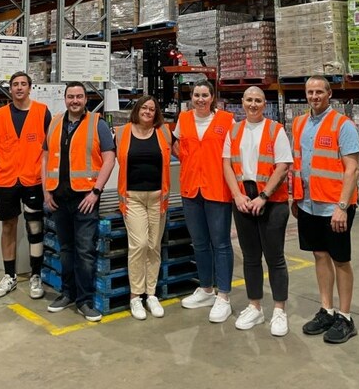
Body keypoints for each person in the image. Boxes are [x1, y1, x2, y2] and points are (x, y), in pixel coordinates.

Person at [291, 75, 359, 344]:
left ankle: (345, 316)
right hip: (308, 204)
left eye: (319, 91)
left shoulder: (343, 125)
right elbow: (299, 164)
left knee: (340, 260)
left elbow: (352, 169)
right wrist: (295, 198)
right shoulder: (299, 124)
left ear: (329, 94)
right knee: (320, 255)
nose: (314, 96)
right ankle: (326, 309)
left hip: (335, 206)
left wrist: (342, 207)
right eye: (310, 92)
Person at [43, 82, 116, 322]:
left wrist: (96, 191)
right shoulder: (54, 123)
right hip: (58, 197)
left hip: (85, 198)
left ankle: (85, 301)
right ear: (65, 99)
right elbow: (45, 158)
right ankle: (67, 293)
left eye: (79, 96)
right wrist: (46, 191)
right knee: (66, 249)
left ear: (86, 99)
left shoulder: (98, 124)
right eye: (70, 96)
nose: (75, 100)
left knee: (84, 251)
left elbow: (109, 158)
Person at [222, 86, 292, 336]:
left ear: (265, 104)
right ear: (242, 103)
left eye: (258, 101)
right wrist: (237, 196)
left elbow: (283, 166)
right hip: (243, 201)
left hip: (271, 203)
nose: (253, 104)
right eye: (249, 100)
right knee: (251, 258)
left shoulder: (276, 130)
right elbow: (227, 165)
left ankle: (279, 311)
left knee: (275, 258)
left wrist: (263, 196)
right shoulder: (235, 130)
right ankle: (255, 306)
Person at [174, 80, 234, 323]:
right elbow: (177, 144)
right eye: (196, 95)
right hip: (191, 190)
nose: (200, 99)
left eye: (205, 95)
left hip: (217, 189)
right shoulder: (184, 119)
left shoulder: (227, 121)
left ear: (213, 98)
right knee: (199, 243)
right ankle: (207, 289)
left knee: (220, 243)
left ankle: (224, 296)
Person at [0, 72, 51, 299]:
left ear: (30, 87)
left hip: (33, 179)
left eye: (23, 84)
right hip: (7, 179)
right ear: (10, 89)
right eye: (15, 85)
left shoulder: (42, 112)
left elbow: (48, 146)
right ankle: (10, 276)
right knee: (8, 226)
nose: (19, 88)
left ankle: (36, 275)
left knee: (35, 227)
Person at [116, 95, 172, 320]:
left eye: (152, 109)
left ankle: (151, 294)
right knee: (138, 244)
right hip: (133, 198)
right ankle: (135, 296)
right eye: (144, 108)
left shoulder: (164, 133)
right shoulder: (122, 133)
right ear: (137, 110)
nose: (148, 112)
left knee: (153, 246)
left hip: (158, 198)